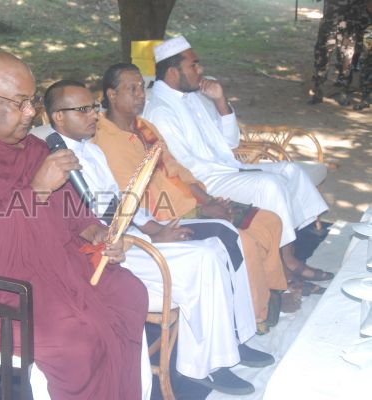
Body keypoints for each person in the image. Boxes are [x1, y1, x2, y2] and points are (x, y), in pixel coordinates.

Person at [0, 51, 149, 400]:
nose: (30, 113)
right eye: (20, 103)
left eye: (32, 101)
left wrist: (97, 232)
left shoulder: (30, 149)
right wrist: (38, 189)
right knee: (78, 342)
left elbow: (72, 210)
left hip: (49, 267)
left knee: (129, 293)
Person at [43, 79, 275, 396]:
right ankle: (205, 366)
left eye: (93, 108)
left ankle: (233, 341)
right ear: (58, 117)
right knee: (204, 258)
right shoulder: (53, 160)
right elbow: (89, 217)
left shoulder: (92, 150)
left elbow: (123, 201)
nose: (94, 114)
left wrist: (155, 229)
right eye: (83, 110)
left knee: (217, 245)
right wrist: (146, 234)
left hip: (128, 234)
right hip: (105, 251)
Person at [142, 36, 333, 288]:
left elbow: (230, 142)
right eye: (193, 65)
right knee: (269, 184)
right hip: (203, 183)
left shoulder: (193, 97)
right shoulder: (160, 110)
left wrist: (220, 101)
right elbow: (185, 169)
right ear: (172, 71)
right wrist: (239, 173)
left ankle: (288, 253)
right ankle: (287, 265)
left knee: (291, 170)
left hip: (225, 169)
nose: (200, 70)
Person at [308, 0, 366, 105]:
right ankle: (318, 90)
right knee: (322, 57)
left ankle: (343, 93)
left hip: (349, 26)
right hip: (329, 24)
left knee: (346, 60)